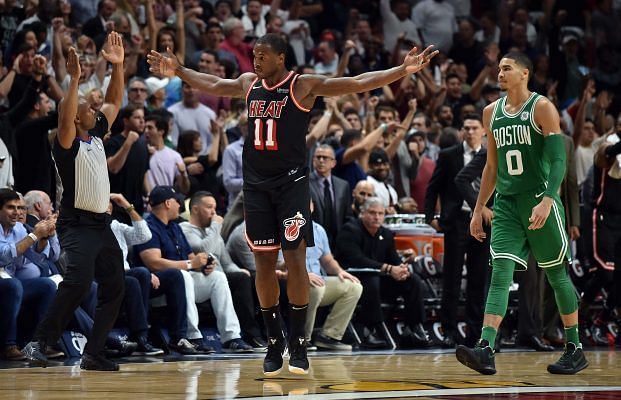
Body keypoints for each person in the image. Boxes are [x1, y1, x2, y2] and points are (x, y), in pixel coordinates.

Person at [147, 32, 438, 376]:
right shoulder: (248, 83)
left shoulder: (302, 86)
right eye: (253, 55)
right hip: (256, 189)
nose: (256, 61)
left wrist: (401, 71)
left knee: (296, 259)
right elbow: (213, 82)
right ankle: (274, 339)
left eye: (263, 56)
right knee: (264, 262)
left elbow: (356, 82)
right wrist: (180, 70)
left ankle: (299, 339)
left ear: (281, 58)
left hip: (291, 186)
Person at [456, 52, 588, 375]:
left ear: (524, 73)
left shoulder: (542, 108)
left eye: (507, 68)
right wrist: (478, 209)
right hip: (506, 203)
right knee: (500, 273)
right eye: (499, 68)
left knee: (557, 276)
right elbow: (490, 167)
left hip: (538, 199)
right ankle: (486, 347)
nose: (500, 73)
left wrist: (548, 200)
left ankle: (575, 347)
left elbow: (559, 161)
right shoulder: (490, 113)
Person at [23, 32, 126, 371]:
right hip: (77, 223)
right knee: (78, 282)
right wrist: (73, 80)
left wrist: (119, 66)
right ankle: (39, 342)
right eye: (87, 108)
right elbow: (65, 117)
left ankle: (94, 352)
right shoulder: (67, 143)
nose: (94, 109)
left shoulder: (96, 136)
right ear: (78, 117)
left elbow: (114, 100)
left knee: (115, 285)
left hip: (100, 224)